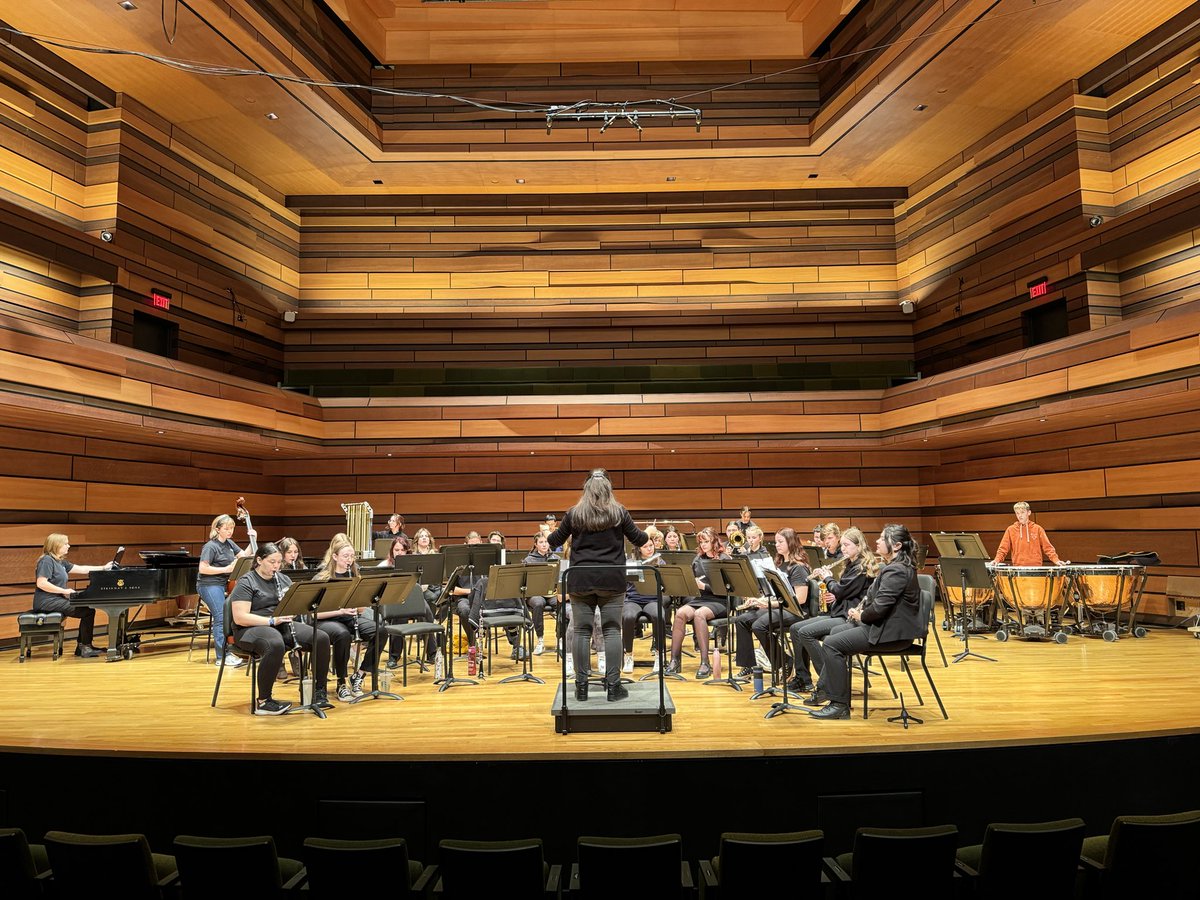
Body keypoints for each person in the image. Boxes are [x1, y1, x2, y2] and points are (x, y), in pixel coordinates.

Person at [546, 469, 649, 702]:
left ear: (586, 489)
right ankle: (613, 687)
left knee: (582, 631)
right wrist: (648, 532)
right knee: (612, 629)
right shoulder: (619, 512)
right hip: (612, 580)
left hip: (580, 580)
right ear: (608, 489)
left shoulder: (574, 514)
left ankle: (581, 687)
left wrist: (549, 531)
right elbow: (640, 540)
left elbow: (553, 543)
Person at [810, 524, 924, 720]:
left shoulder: (896, 571)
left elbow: (879, 609)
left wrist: (860, 615)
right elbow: (878, 601)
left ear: (896, 546)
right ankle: (826, 690)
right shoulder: (894, 567)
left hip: (890, 634)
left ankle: (839, 704)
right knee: (836, 632)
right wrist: (860, 610)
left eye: (881, 538)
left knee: (831, 644)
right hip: (883, 627)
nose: (877, 541)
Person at [229, 542, 332, 716]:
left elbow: (294, 605)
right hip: (250, 628)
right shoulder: (247, 582)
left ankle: (319, 691)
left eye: (279, 562)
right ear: (259, 560)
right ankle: (263, 701)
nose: (276, 566)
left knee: (321, 638)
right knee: (275, 644)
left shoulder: (282, 579)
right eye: (272, 562)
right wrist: (271, 620)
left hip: (280, 624)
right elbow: (240, 617)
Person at [788, 526, 875, 701]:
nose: (843, 549)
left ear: (859, 546)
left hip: (849, 618)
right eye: (842, 545)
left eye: (847, 545)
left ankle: (827, 683)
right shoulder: (851, 564)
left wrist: (827, 578)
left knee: (806, 632)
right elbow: (844, 593)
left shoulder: (861, 568)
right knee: (795, 628)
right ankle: (803, 679)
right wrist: (833, 595)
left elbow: (842, 591)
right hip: (839, 611)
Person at [732, 527, 810, 678]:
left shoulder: (798, 567)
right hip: (780, 607)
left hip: (796, 611)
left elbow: (800, 599)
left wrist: (769, 604)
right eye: (776, 542)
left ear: (791, 542)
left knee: (759, 626)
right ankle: (748, 666)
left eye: (780, 541)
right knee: (741, 620)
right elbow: (776, 593)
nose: (777, 545)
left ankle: (784, 661)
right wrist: (761, 600)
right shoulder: (779, 563)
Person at [311, 534, 378, 701]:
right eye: (346, 556)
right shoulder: (322, 578)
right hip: (326, 621)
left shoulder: (355, 577)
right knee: (343, 635)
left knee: (380, 630)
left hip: (349, 618)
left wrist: (360, 603)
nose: (350, 560)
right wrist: (341, 611)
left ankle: (359, 676)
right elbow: (314, 613)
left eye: (352, 556)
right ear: (334, 556)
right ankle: (341, 682)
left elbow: (362, 608)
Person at [32, 533, 114, 658]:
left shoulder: (61, 562)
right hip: (46, 601)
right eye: (66, 543)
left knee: (88, 609)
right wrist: (65, 591)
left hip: (56, 599)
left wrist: (103, 567)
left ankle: (84, 647)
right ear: (56, 545)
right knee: (87, 611)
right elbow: (41, 583)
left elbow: (82, 569)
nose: (68, 546)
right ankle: (84, 647)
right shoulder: (46, 560)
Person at [665, 527, 729, 679]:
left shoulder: (724, 559)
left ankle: (705, 662)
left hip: (720, 600)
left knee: (699, 614)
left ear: (714, 541)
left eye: (706, 541)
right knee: (680, 613)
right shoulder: (698, 559)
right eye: (701, 542)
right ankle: (674, 660)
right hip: (701, 599)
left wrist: (703, 586)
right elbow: (693, 585)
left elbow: (726, 589)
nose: (703, 545)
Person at [198, 513, 256, 667]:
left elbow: (243, 555)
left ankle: (231, 651)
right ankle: (221, 657)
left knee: (228, 616)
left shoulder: (229, 543)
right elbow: (203, 568)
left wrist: (253, 539)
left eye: (232, 528)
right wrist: (226, 568)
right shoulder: (210, 546)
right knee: (220, 617)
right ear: (217, 529)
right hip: (208, 585)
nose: (230, 531)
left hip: (220, 584)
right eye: (226, 528)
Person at [621, 537, 664, 673]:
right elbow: (627, 583)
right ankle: (628, 655)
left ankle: (659, 655)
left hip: (652, 599)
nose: (650, 548)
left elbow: (665, 584)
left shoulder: (661, 562)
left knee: (659, 616)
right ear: (639, 549)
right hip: (633, 599)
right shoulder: (631, 562)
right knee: (628, 617)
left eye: (651, 545)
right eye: (646, 546)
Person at [993, 501, 1067, 566]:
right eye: (1017, 513)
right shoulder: (1010, 530)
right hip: (1018, 568)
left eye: (1022, 512)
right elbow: (1003, 549)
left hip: (1036, 567)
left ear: (1029, 513)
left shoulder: (1038, 529)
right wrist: (996, 560)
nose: (1020, 515)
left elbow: (1048, 548)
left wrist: (1056, 560)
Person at [523, 532, 560, 656]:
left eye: (546, 542)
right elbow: (524, 580)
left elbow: (559, 579)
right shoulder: (529, 560)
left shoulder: (556, 558)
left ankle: (560, 638)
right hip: (535, 593)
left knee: (560, 603)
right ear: (535, 545)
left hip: (552, 593)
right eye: (541, 542)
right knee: (538, 603)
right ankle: (540, 640)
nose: (544, 545)